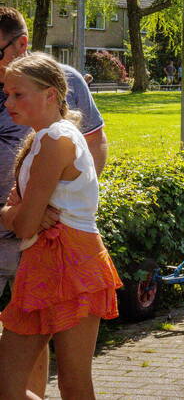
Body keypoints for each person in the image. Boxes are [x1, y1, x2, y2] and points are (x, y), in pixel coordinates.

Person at [0, 52, 122, 399]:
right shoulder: (43, 138)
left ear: (50, 94)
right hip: (46, 262)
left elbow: (23, 225)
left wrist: (10, 213)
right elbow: (21, 215)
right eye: (6, 93)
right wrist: (14, 211)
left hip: (70, 261)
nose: (8, 101)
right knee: (16, 384)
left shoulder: (56, 140)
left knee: (73, 382)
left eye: (18, 94)